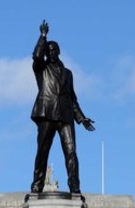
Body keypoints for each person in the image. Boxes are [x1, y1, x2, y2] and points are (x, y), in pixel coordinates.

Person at [30, 20, 95, 194]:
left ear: (58, 52)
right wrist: (43, 37)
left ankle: (74, 187)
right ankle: (37, 184)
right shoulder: (41, 69)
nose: (50, 53)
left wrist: (81, 118)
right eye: (47, 51)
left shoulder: (68, 74)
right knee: (42, 151)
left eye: (52, 50)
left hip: (65, 116)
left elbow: (72, 98)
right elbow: (36, 56)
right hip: (47, 113)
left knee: (71, 152)